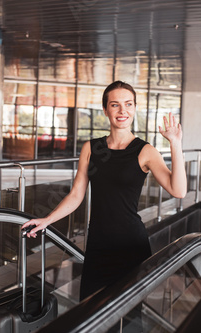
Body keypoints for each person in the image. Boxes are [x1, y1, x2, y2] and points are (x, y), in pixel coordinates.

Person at [22, 81, 187, 305]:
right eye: (115, 105)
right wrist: (47, 220)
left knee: (128, 317)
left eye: (128, 104)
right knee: (90, 311)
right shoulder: (91, 148)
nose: (122, 111)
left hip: (131, 245)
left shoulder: (145, 151)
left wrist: (175, 143)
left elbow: (179, 190)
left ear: (135, 108)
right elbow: (76, 194)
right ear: (105, 110)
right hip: (98, 244)